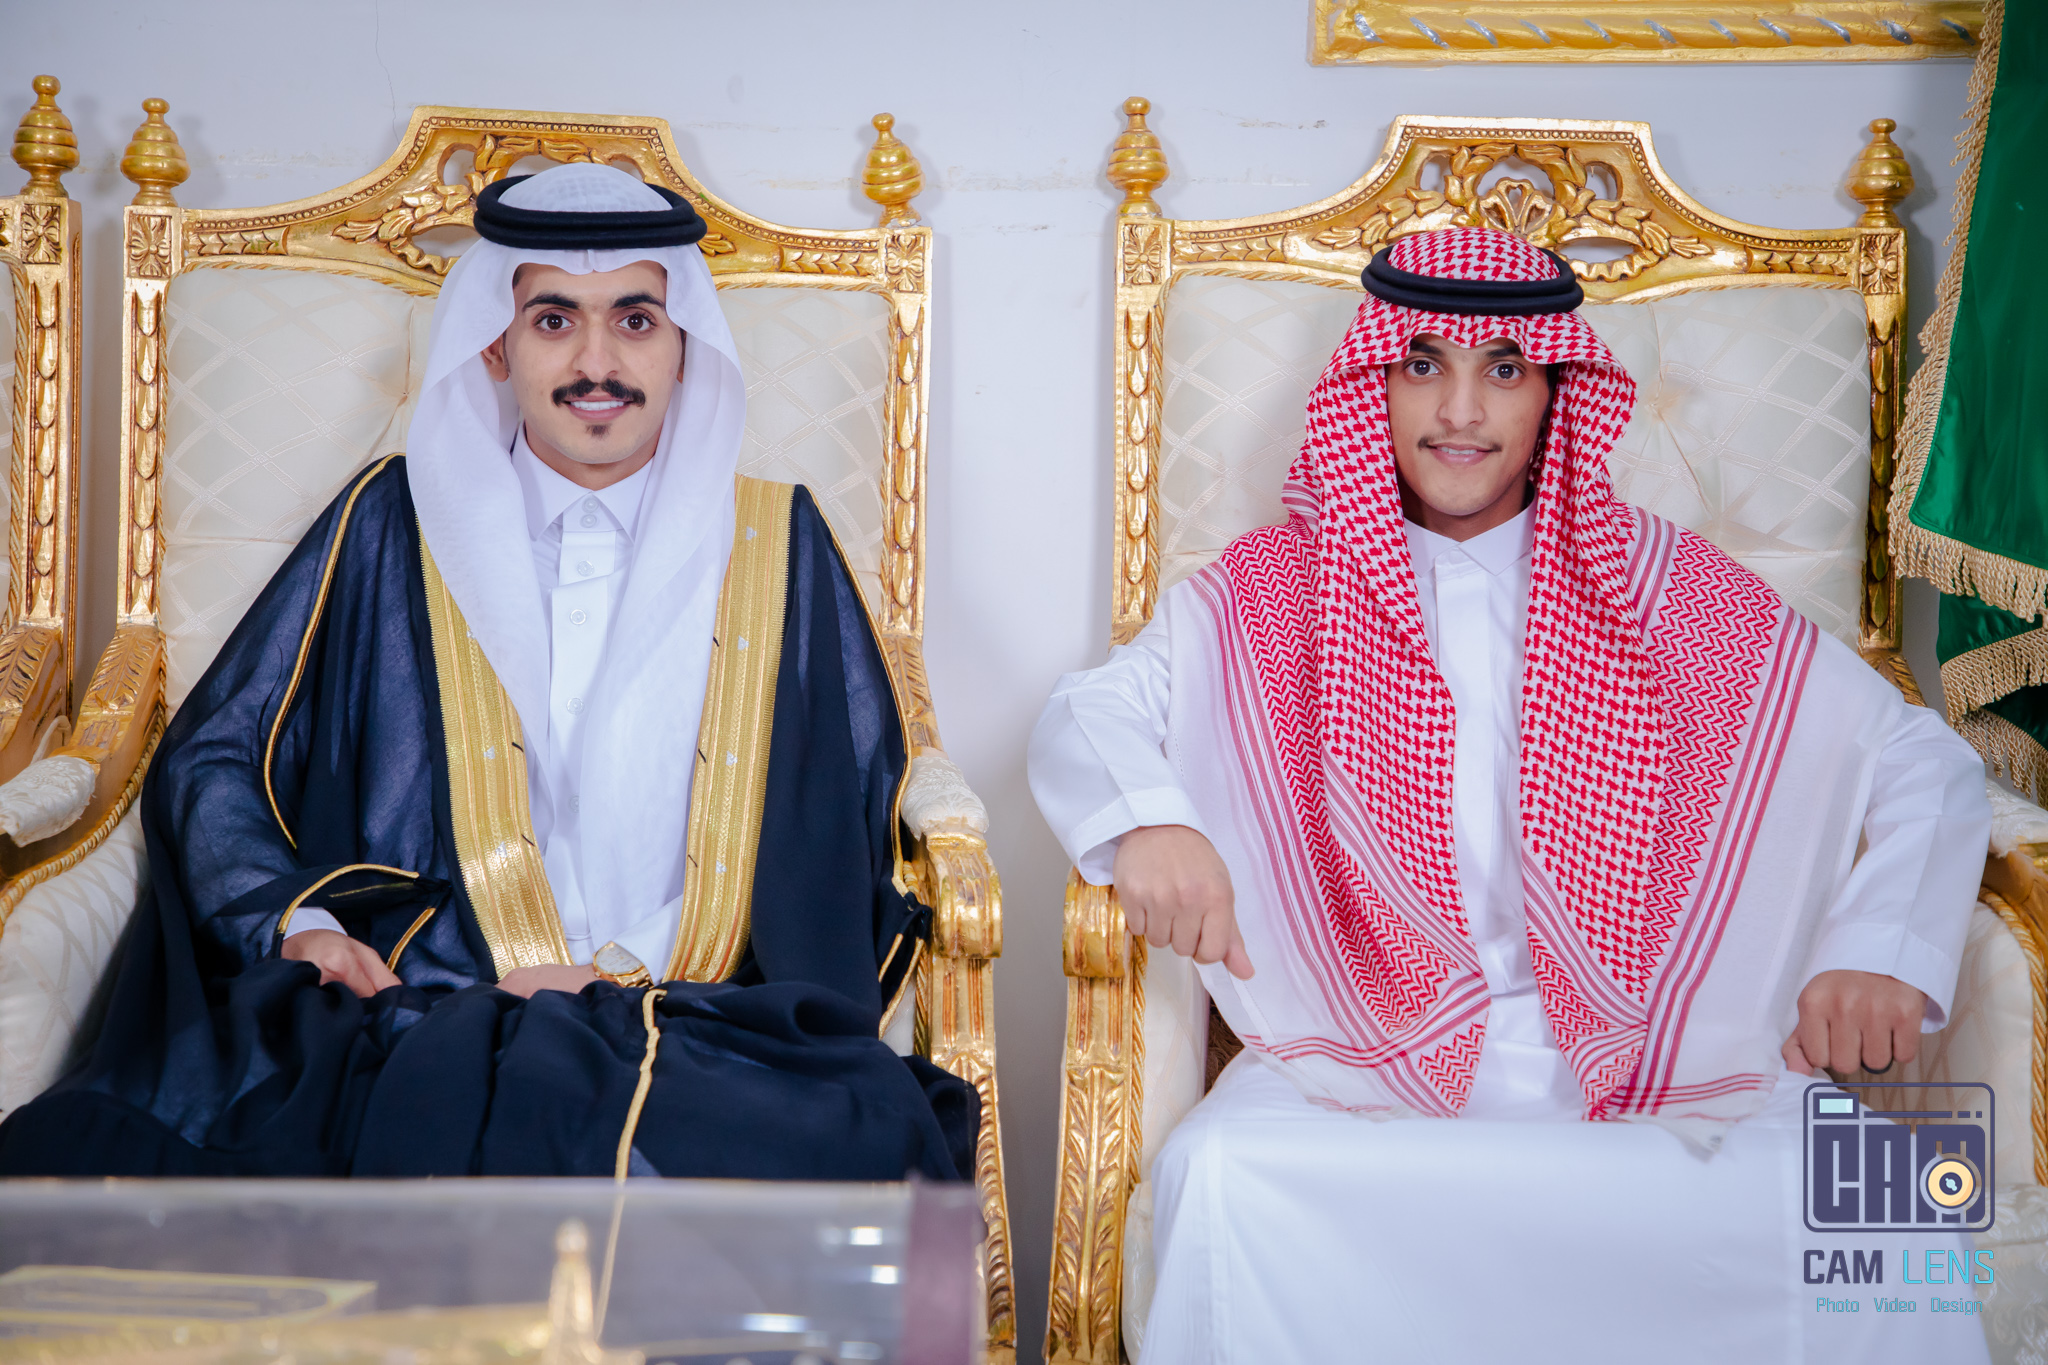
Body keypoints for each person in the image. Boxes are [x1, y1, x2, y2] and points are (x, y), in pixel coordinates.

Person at [1030, 227, 1992, 1362]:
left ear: (1553, 393)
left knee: (1884, 1209)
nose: (1459, 411)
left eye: (1502, 370)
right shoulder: (1276, 591)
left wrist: (1880, 945)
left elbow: (1920, 760)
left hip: (1666, 1061)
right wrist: (1150, 819)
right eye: (1422, 364)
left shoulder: (1662, 587)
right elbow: (1085, 712)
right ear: (1373, 382)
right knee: (1225, 1177)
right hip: (1359, 1062)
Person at [0, 163, 975, 1181]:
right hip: (428, 1004)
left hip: (701, 1013)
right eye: (554, 321)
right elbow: (215, 752)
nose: (596, 362)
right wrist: (301, 923)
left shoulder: (776, 540)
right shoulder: (395, 519)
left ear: (684, 345)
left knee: (862, 1142)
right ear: (498, 346)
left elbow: (844, 806)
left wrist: (609, 977)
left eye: (635, 320)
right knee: (108, 1151)